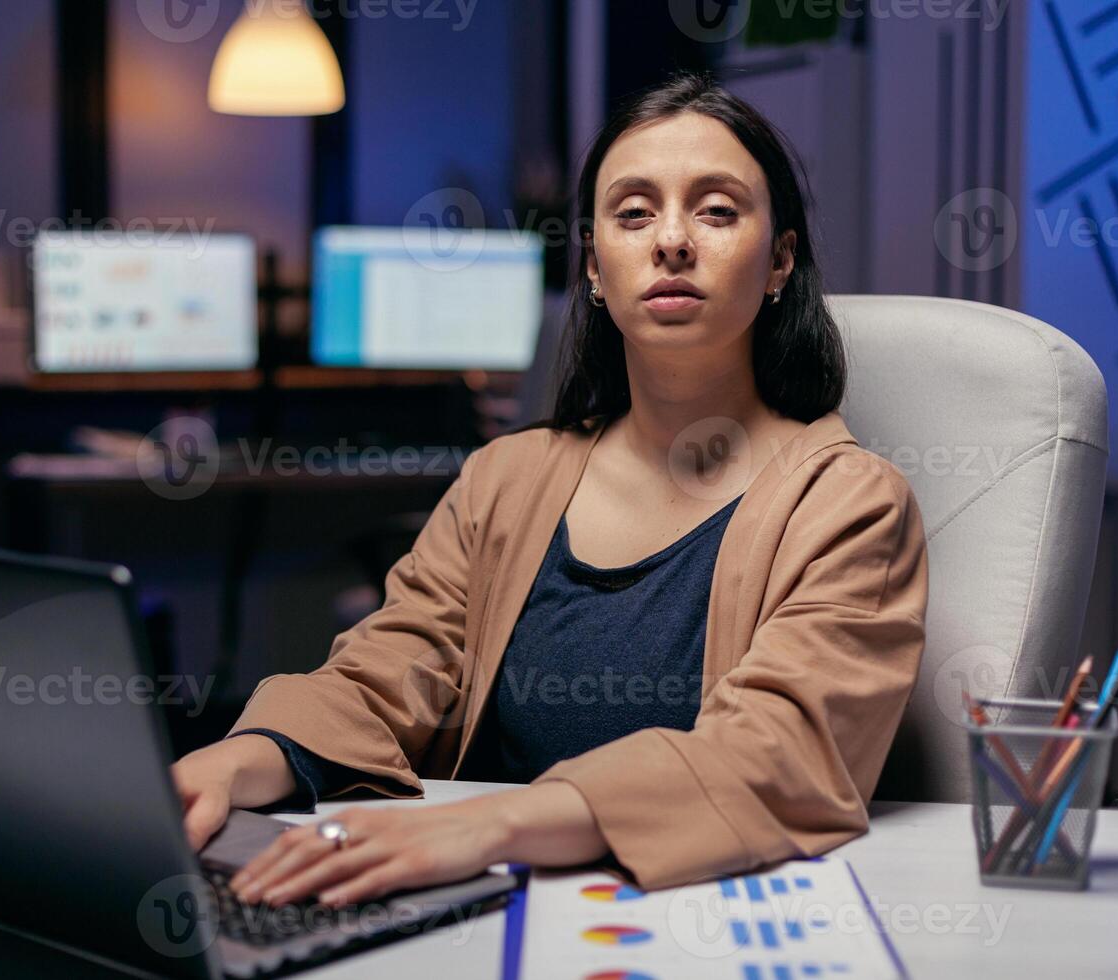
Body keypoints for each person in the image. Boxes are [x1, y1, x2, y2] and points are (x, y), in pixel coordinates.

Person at [171, 71, 929, 909]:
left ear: (780, 258)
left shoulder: (850, 504)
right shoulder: (508, 477)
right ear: (596, 268)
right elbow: (389, 674)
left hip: (690, 913)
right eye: (633, 213)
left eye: (716, 210)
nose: (671, 240)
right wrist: (239, 758)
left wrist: (495, 828)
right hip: (473, 911)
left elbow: (782, 753)